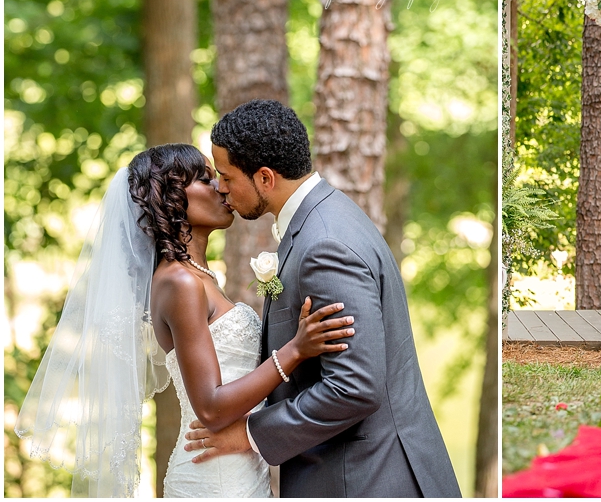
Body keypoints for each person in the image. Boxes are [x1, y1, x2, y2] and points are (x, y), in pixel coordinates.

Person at [15, 143, 354, 497]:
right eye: (205, 179)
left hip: (238, 468)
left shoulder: (199, 278)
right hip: (212, 479)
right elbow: (210, 406)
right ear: (172, 198)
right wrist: (295, 351)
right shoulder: (180, 282)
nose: (221, 187)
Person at [183, 100, 462, 498]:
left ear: (264, 178)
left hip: (366, 478)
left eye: (227, 177)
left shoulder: (324, 244)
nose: (221, 188)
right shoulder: (326, 217)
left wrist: (249, 433)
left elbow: (354, 386)